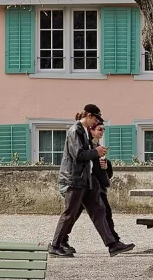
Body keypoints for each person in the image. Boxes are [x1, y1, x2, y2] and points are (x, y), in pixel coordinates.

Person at [49, 104, 134, 257]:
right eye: (95, 119)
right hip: (74, 179)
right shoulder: (74, 131)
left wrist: (96, 152)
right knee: (70, 213)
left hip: (86, 180)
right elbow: (78, 155)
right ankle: (55, 245)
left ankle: (112, 244)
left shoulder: (84, 132)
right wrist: (96, 152)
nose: (95, 122)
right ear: (88, 116)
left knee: (99, 210)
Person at [89, 120, 122, 246]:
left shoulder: (98, 145)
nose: (102, 132)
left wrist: (106, 165)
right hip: (90, 186)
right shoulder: (88, 146)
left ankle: (114, 240)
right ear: (92, 131)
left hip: (98, 186)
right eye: (99, 129)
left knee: (106, 212)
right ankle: (59, 242)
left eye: (103, 129)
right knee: (71, 216)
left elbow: (105, 171)